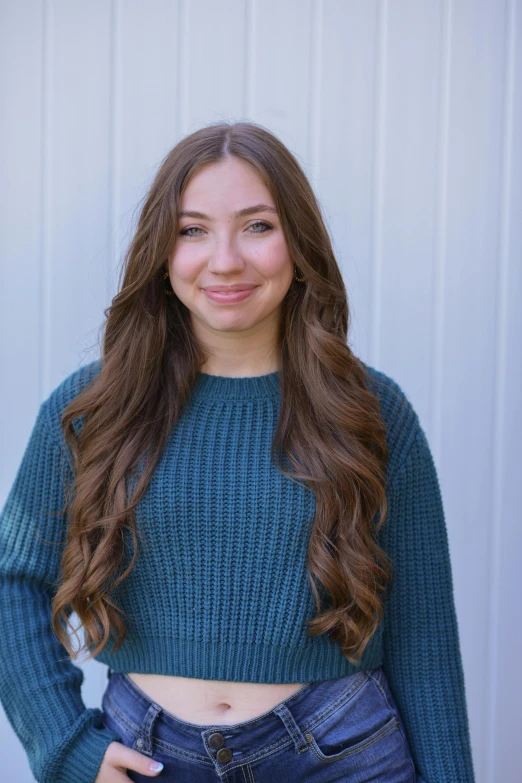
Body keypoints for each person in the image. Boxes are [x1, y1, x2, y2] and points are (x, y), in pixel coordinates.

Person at [0, 121, 475, 783]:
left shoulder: (370, 408)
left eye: (257, 225)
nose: (225, 259)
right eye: (192, 229)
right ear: (162, 252)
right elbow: (11, 581)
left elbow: (423, 631)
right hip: (150, 759)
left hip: (343, 755)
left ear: (299, 242)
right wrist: (67, 747)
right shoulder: (92, 408)